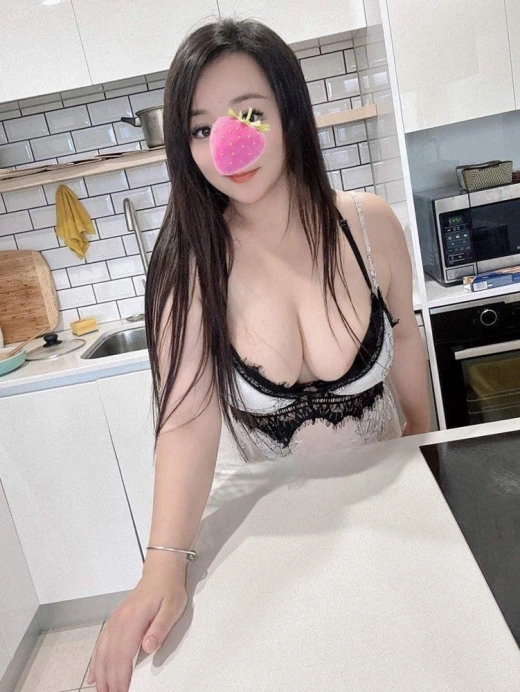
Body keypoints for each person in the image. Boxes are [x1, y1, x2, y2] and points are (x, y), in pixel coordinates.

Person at [86, 17, 430, 691]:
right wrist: (162, 564)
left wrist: (426, 444)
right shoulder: (190, 269)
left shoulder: (369, 225)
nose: (228, 145)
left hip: (392, 508)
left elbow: (408, 338)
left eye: (249, 113)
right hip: (275, 532)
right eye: (200, 128)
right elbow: (186, 421)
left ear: (289, 111)